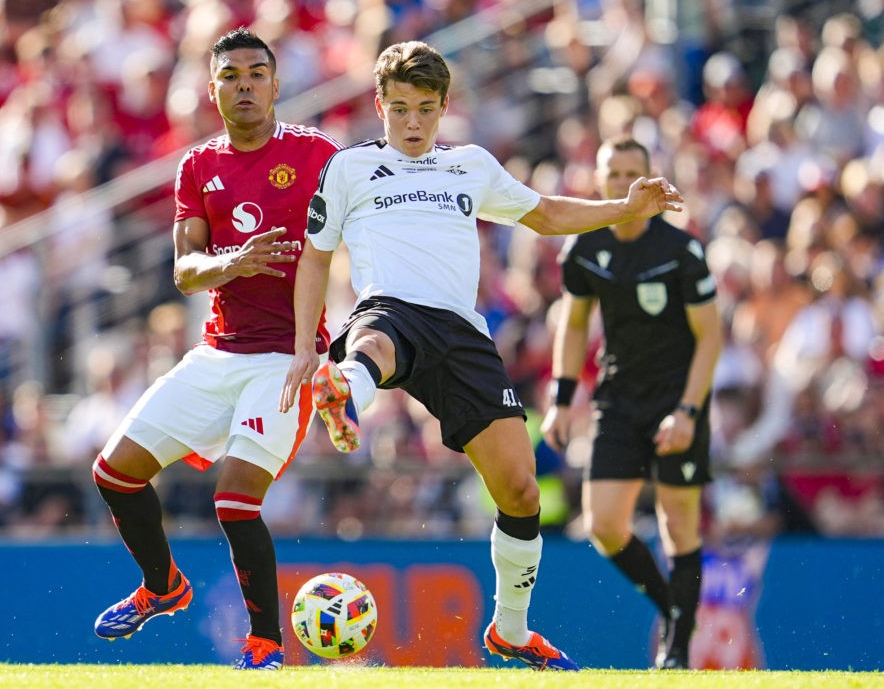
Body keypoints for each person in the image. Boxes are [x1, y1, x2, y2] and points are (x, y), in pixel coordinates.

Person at [278, 41, 684, 672]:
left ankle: (511, 630)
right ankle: (344, 391)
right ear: (379, 105)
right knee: (376, 342)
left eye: (425, 110)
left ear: (443, 109)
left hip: (464, 336)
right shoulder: (350, 169)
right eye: (400, 109)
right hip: (390, 306)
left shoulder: (470, 165)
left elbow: (545, 214)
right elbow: (316, 255)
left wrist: (624, 208)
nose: (412, 123)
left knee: (521, 492)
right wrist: (307, 341)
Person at [90, 27, 341, 670]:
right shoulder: (198, 165)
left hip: (285, 358)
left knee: (234, 499)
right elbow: (184, 270)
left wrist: (344, 360)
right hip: (217, 352)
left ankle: (264, 643)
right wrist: (234, 261)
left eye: (257, 73)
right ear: (213, 90)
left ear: (277, 84)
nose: (245, 84)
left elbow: (356, 242)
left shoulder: (319, 155)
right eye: (231, 76)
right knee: (114, 473)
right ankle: (163, 586)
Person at [540, 137, 722, 669]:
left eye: (632, 173)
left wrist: (688, 412)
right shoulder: (584, 246)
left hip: (677, 398)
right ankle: (673, 611)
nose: (622, 183)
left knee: (679, 525)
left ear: (651, 180)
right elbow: (573, 323)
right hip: (618, 399)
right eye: (613, 173)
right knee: (604, 525)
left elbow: (710, 338)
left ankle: (678, 652)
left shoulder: (680, 249)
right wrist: (561, 399)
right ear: (599, 181)